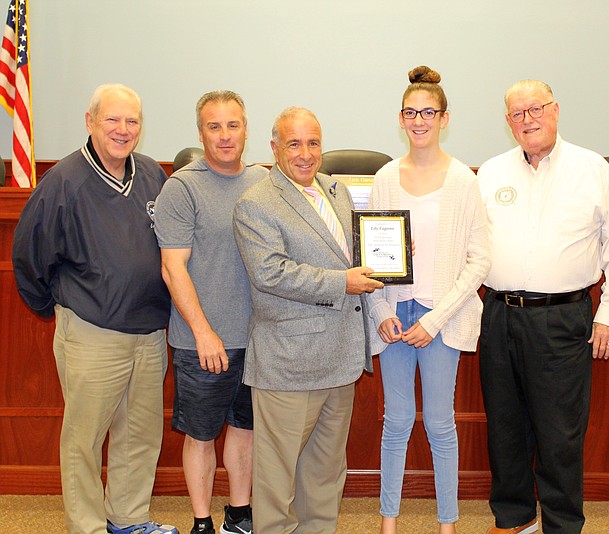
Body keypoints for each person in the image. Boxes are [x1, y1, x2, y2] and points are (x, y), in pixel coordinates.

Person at [12, 84, 178, 534]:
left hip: (148, 332)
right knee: (84, 440)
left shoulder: (150, 175)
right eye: (113, 120)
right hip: (91, 332)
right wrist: (62, 306)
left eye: (132, 122)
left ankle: (127, 519)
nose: (123, 130)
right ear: (90, 122)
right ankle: (86, 526)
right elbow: (29, 257)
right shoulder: (63, 182)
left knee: (139, 435)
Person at [476, 80, 609, 534]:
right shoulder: (490, 172)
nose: (528, 119)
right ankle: (514, 520)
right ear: (508, 123)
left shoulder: (592, 169)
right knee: (505, 427)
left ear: (556, 110)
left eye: (536, 109)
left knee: (559, 433)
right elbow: (470, 246)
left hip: (563, 317)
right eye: (517, 113)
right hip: (499, 313)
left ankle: (563, 526)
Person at [232, 107, 383, 534]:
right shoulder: (256, 203)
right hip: (289, 363)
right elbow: (269, 273)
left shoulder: (336, 191)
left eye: (313, 142)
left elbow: (358, 254)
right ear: (275, 148)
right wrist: (343, 283)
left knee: (325, 473)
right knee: (277, 480)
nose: (305, 153)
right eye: (294, 143)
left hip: (340, 356)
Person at [365, 66, 491, 534]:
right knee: (395, 421)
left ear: (444, 118)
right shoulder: (384, 178)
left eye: (428, 113)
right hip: (395, 316)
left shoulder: (463, 181)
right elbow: (369, 257)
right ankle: (388, 522)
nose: (419, 121)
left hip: (443, 315)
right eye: (411, 112)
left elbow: (479, 260)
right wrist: (379, 312)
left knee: (440, 424)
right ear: (401, 118)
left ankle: (447, 525)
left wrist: (435, 320)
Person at [154, 90, 268, 534]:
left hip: (257, 339)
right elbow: (172, 267)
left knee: (245, 430)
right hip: (201, 340)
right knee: (201, 434)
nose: (225, 136)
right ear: (200, 132)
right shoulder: (181, 187)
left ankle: (238, 515)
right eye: (214, 126)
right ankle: (202, 521)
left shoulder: (264, 180)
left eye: (233, 125)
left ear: (246, 128)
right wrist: (203, 332)